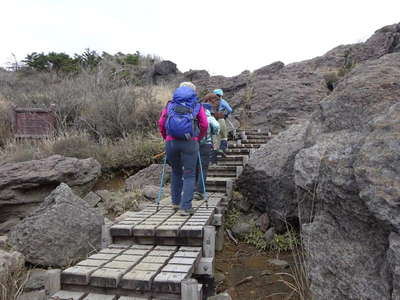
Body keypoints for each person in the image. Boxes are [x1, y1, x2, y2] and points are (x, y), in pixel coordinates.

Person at [158, 84, 208, 216]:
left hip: (171, 142)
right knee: (189, 174)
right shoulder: (196, 105)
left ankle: (175, 203)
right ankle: (185, 207)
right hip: (190, 142)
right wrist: (198, 137)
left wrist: (166, 137)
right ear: (193, 91)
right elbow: (204, 124)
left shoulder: (170, 105)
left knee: (176, 172)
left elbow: (161, 123)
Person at [194, 98, 220, 200]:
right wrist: (213, 133)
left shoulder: (195, 117)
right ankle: (200, 192)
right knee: (203, 168)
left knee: (195, 167)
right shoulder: (209, 118)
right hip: (206, 144)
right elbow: (217, 127)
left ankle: (192, 189)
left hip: (193, 144)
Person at [213, 89, 233, 155]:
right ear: (221, 95)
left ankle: (214, 152)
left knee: (214, 135)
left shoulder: (210, 101)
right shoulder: (222, 101)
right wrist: (225, 115)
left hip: (212, 120)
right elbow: (230, 110)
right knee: (224, 136)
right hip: (220, 119)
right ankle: (222, 149)